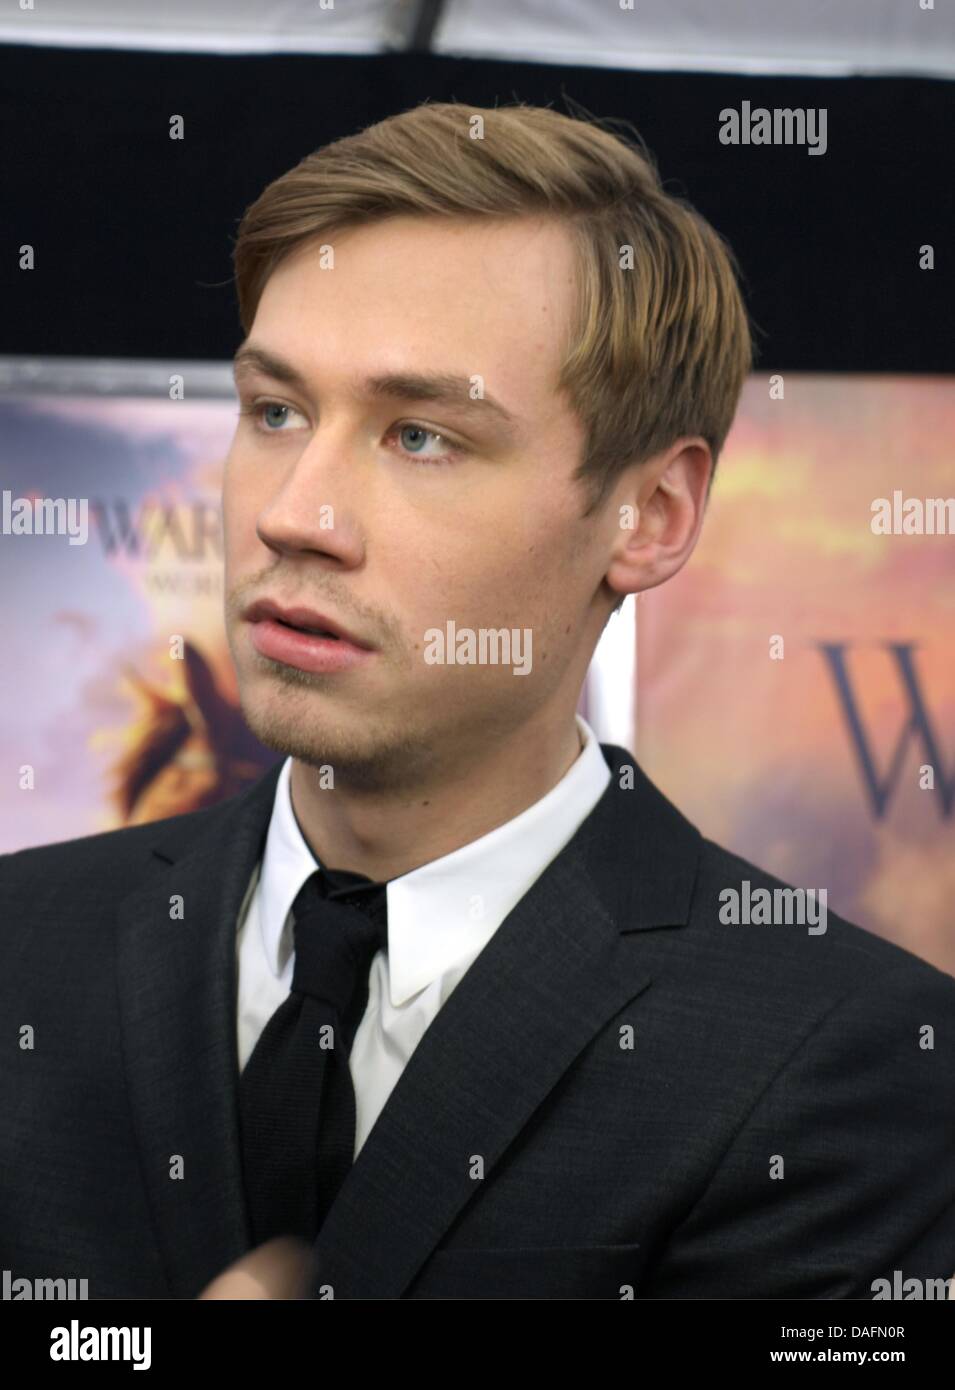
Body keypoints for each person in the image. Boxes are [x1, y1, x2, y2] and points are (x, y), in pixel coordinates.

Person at [2, 101, 954, 1302]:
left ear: (647, 515)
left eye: (420, 436)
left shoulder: (848, 1059)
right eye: (276, 411)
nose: (293, 514)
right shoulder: (20, 952)